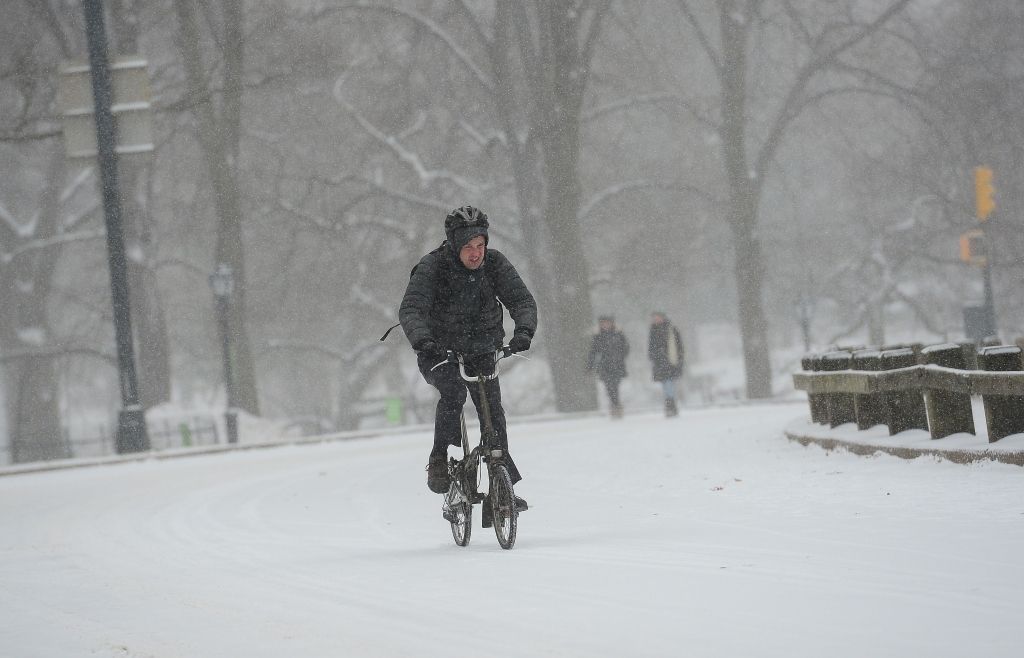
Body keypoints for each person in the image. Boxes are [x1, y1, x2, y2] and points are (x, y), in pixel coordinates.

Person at [399, 205, 537, 500]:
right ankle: (439, 459)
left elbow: (522, 300)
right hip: (439, 352)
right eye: (468, 247)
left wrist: (523, 331)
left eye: (480, 245)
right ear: (453, 245)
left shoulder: (495, 264)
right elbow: (411, 309)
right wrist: (423, 340)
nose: (476, 254)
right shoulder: (433, 267)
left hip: (482, 349)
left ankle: (503, 485)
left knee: (492, 408)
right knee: (454, 393)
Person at [586, 315, 629, 418]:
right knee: (609, 387)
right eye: (603, 323)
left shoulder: (618, 334)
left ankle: (616, 406)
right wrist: (590, 366)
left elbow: (626, 347)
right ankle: (614, 406)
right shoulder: (597, 336)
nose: (605, 325)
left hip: (617, 365)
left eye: (607, 323)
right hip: (604, 366)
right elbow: (593, 352)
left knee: (615, 386)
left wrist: (620, 356)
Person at [647, 311, 683, 417]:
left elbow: (679, 345)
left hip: (671, 361)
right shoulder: (653, 330)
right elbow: (651, 346)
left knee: (669, 382)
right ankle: (670, 403)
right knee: (665, 383)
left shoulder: (671, 329)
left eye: (658, 317)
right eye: (654, 318)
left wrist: (679, 358)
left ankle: (670, 402)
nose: (656, 319)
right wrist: (653, 356)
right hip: (659, 362)